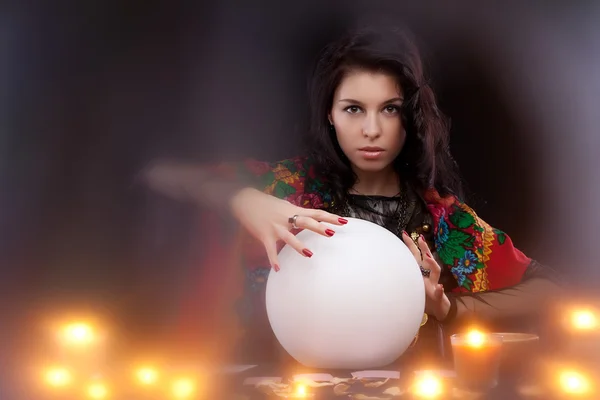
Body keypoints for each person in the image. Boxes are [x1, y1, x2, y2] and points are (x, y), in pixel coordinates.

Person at [142, 26, 562, 365]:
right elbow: (161, 173)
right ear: (330, 114)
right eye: (354, 108)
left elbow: (548, 287)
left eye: (390, 109)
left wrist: (449, 309)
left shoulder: (442, 222)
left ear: (410, 117)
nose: (372, 130)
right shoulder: (284, 191)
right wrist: (243, 199)